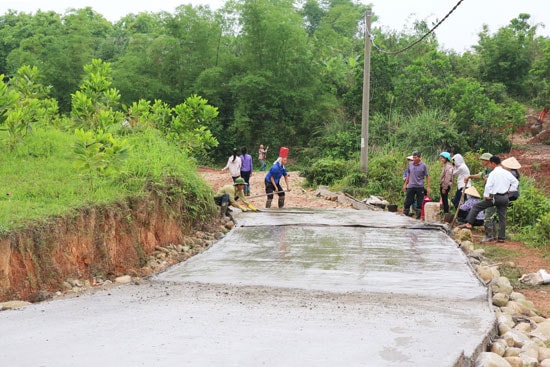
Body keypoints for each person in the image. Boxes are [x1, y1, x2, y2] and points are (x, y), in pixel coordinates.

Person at [464, 156, 519, 243]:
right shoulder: (507, 172)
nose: (490, 165)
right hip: (505, 197)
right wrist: (511, 190)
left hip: (495, 197)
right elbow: (516, 182)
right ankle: (501, 238)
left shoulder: (493, 173)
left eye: (490, 163)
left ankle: (469, 223)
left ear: (493, 163)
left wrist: (486, 196)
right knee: (502, 218)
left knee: (477, 207)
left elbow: (488, 185)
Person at [464, 152, 495, 242]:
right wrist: (470, 176)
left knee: (489, 215)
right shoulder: (486, 170)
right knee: (490, 215)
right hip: (488, 195)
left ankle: (490, 236)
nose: (481, 161)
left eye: (483, 160)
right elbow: (480, 175)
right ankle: (493, 235)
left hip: (492, 195)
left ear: (488, 161)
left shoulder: (492, 171)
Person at [402, 151, 431, 219]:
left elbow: (427, 176)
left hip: (419, 186)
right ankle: (405, 215)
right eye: (413, 157)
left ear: (419, 158)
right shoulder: (410, 165)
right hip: (411, 186)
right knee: (407, 201)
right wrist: (405, 184)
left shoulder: (423, 166)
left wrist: (428, 187)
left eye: (415, 157)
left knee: (419, 203)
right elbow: (408, 175)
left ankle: (417, 217)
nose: (414, 159)